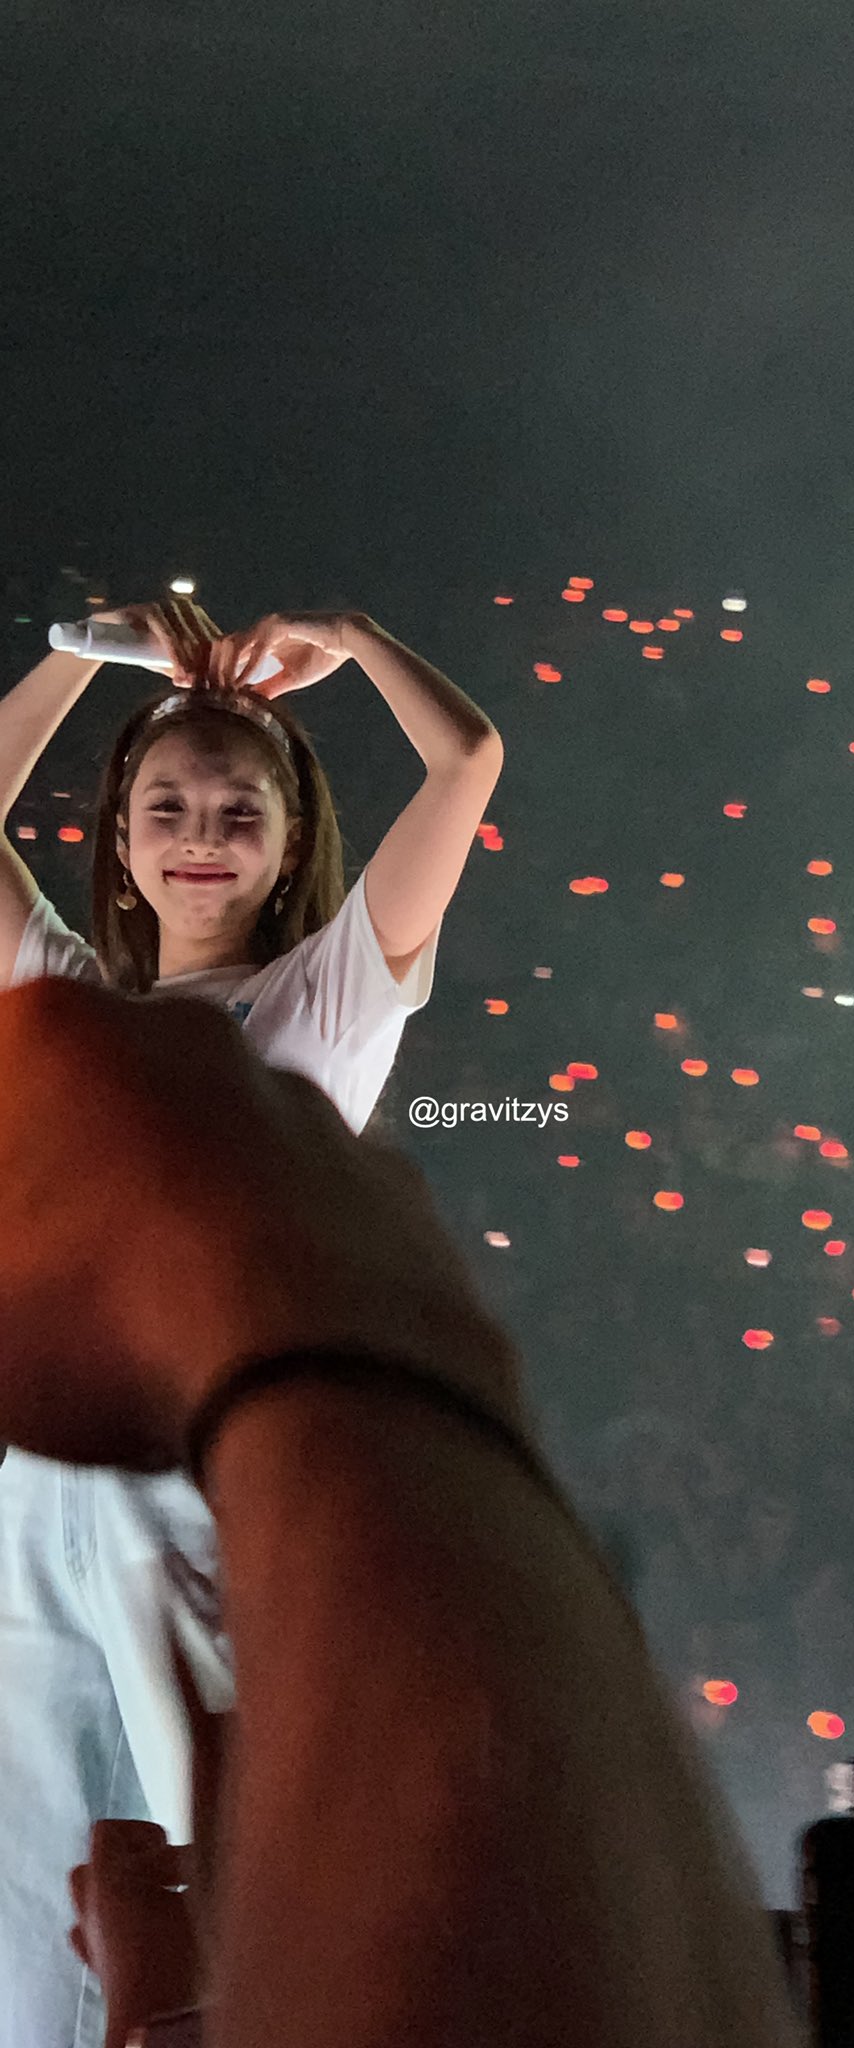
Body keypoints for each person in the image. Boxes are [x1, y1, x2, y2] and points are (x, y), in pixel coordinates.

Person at [0, 975, 802, 2047]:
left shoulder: (308, 1020)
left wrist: (303, 1334)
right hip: (176, 1503)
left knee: (245, 1861)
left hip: (249, 1508)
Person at [0, 594, 504, 2048]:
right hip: (34, 1499)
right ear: (118, 838)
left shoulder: (326, 1000)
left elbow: (466, 759)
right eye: (166, 806)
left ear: (291, 844)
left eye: (239, 810)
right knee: (31, 1921)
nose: (200, 835)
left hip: (205, 1487)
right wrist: (77, 653)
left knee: (232, 1890)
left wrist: (355, 636)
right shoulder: (65, 997)